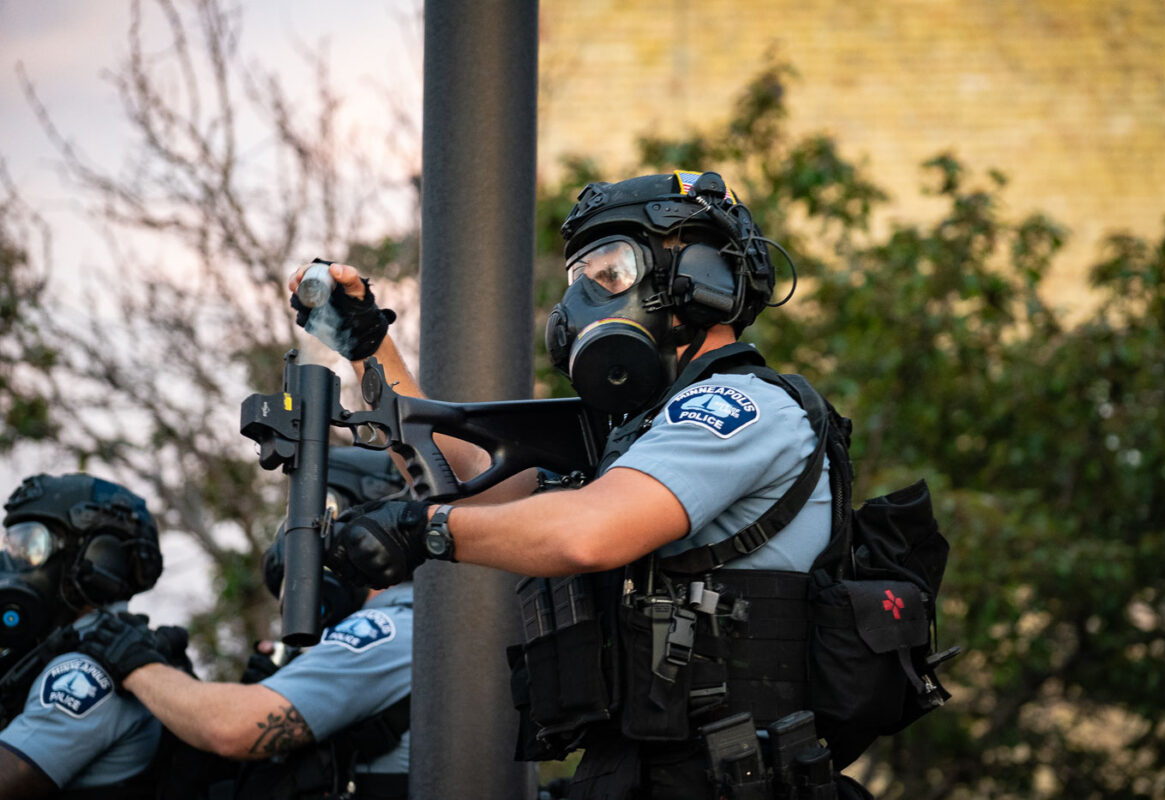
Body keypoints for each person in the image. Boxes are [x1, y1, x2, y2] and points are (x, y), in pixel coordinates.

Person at [286, 169, 874, 799]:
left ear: (697, 277)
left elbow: (586, 534)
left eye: (609, 272)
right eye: (580, 279)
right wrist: (365, 346)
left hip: (726, 773)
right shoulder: (634, 439)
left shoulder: (742, 406)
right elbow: (462, 481)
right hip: (642, 769)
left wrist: (424, 532)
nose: (579, 303)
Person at [79, 446, 415, 800]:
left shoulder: (386, 631)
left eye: (323, 512)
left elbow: (229, 729)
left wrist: (136, 663)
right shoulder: (411, 629)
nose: (299, 533)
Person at [0, 472, 168, 799]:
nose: (12, 562)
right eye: (13, 545)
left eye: (30, 544)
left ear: (100, 559)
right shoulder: (46, 651)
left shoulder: (90, 669)